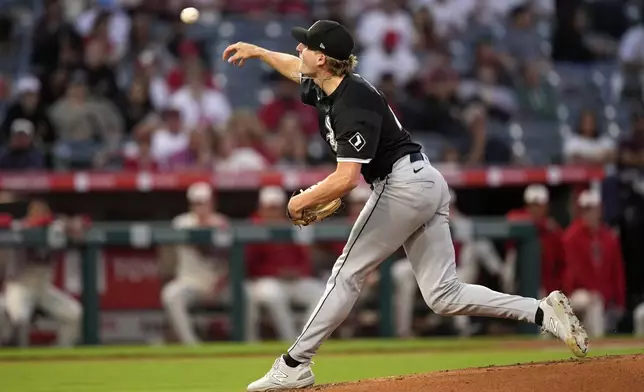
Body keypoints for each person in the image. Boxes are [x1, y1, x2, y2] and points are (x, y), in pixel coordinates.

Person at [223, 20, 588, 391]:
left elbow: (347, 179)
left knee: (346, 274)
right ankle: (542, 311)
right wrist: (262, 53)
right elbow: (292, 67)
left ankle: (293, 364)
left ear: (322, 58)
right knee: (444, 295)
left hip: (403, 185)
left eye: (305, 47)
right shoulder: (325, 83)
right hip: (422, 180)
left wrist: (300, 199)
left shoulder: (352, 103)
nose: (298, 50)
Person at [245, 186, 325, 341]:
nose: (272, 212)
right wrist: (275, 272)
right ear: (261, 207)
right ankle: (289, 340)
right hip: (265, 281)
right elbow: (249, 266)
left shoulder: (291, 226)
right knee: (273, 295)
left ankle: (304, 337)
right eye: (269, 207)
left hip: (293, 280)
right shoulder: (253, 226)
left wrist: (298, 272)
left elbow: (304, 259)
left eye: (276, 207)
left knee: (322, 293)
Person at [2, 200, 82, 347]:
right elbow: (8, 223)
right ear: (30, 214)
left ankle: (59, 354)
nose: (41, 215)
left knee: (74, 315)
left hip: (43, 288)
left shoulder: (54, 227)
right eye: (37, 213)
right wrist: (34, 224)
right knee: (19, 319)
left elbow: (80, 225)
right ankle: (20, 359)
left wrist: (64, 222)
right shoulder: (20, 226)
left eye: (44, 212)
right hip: (20, 286)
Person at [160, 182, 230, 345]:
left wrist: (223, 279)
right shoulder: (182, 223)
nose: (201, 207)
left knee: (246, 294)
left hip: (219, 285)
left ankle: (247, 341)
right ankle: (192, 345)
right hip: (190, 283)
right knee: (171, 294)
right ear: (190, 204)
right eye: (197, 203)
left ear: (212, 203)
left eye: (204, 202)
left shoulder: (222, 223)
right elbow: (199, 245)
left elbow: (230, 258)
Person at [562, 189, 626, 338]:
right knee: (593, 303)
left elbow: (617, 271)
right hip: (576, 295)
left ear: (600, 210)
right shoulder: (571, 236)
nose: (589, 214)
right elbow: (572, 271)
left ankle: (592, 350)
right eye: (586, 210)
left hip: (602, 296)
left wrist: (619, 300)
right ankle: (598, 348)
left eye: (592, 209)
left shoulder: (609, 237)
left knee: (596, 304)